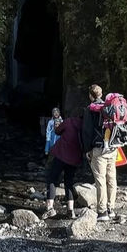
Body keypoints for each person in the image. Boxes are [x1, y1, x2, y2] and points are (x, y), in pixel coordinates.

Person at [82, 83, 117, 222]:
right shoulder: (110, 107)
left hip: (98, 149)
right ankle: (111, 209)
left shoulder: (90, 110)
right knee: (111, 179)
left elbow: (86, 131)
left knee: (100, 180)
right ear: (101, 94)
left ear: (91, 96)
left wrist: (87, 150)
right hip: (113, 148)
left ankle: (102, 212)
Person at [44, 112, 83, 219]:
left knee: (52, 179)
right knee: (69, 183)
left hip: (61, 155)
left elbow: (57, 131)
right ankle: (71, 211)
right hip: (75, 158)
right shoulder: (85, 127)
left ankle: (50, 208)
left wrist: (57, 125)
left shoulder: (69, 121)